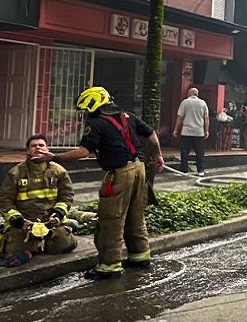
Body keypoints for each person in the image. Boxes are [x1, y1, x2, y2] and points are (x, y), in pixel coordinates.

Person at [33, 86, 164, 280]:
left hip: (120, 173)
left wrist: (54, 157)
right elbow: (151, 134)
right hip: (140, 169)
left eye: (86, 109)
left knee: (111, 220)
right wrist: (159, 155)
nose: (86, 113)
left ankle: (109, 266)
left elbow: (83, 152)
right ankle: (140, 256)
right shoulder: (127, 116)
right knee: (135, 216)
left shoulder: (96, 123)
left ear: (94, 104)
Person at [0, 134, 77, 267]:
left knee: (65, 245)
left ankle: (43, 242)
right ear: (28, 150)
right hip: (25, 225)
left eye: (41, 145)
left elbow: (66, 196)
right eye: (34, 146)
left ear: (47, 149)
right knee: (15, 249)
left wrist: (58, 214)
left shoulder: (59, 171)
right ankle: (32, 247)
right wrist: (19, 221)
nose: (38, 148)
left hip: (51, 223)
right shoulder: (15, 173)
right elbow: (5, 202)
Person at [174, 87, 210, 177]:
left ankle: (184, 171)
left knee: (184, 152)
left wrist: (176, 129)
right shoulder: (203, 103)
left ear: (189, 93)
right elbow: (206, 118)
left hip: (186, 131)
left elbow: (180, 117)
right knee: (199, 153)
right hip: (199, 132)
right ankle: (200, 170)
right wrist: (206, 130)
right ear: (197, 94)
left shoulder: (185, 102)